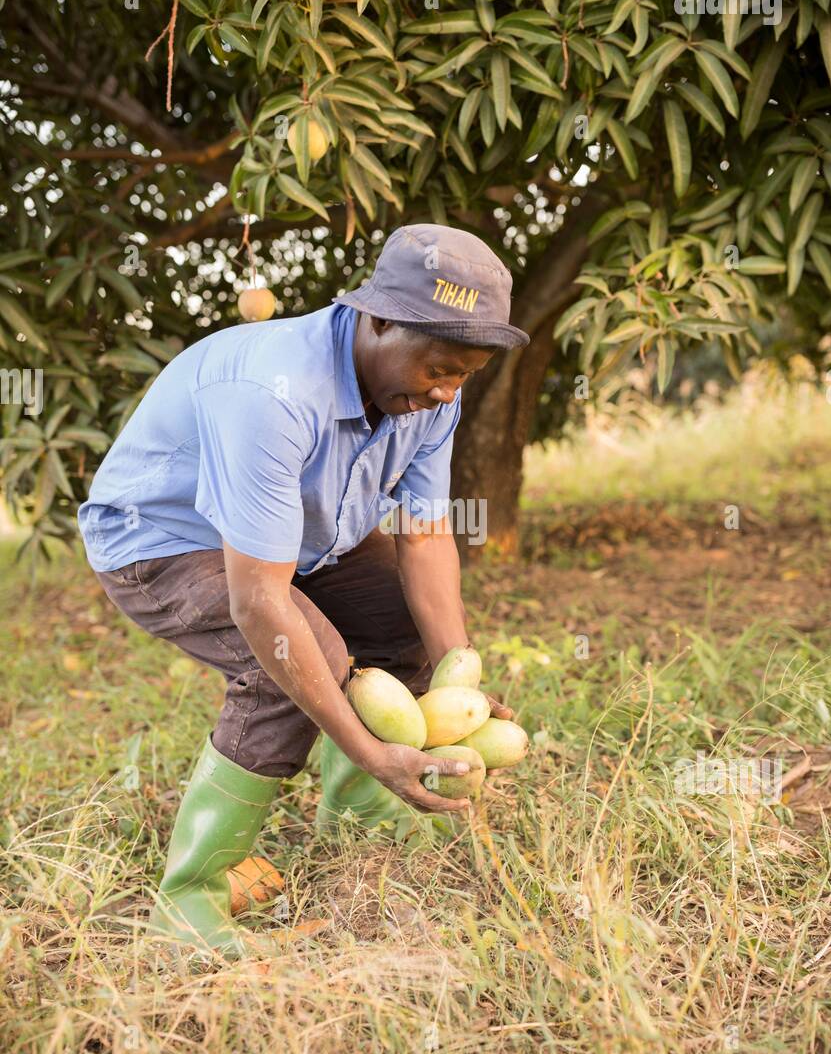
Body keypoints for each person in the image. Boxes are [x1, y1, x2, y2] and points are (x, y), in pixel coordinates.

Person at [78, 222, 530, 956]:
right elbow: (261, 602)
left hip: (303, 541)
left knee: (402, 622)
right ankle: (191, 901)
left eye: (465, 378)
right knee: (290, 656)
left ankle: (363, 817)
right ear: (380, 317)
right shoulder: (272, 394)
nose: (447, 393)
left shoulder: (432, 396)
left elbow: (424, 537)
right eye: (440, 369)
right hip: (160, 542)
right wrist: (366, 745)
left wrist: (459, 682)